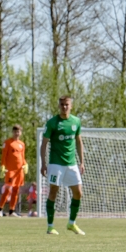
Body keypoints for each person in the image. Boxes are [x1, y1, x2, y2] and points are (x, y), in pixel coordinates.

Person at [40, 96, 85, 235]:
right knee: (53, 192)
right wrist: (43, 163)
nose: (64, 107)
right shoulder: (52, 122)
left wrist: (82, 161)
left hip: (71, 164)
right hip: (56, 163)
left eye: (66, 105)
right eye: (62, 105)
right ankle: (50, 226)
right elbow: (44, 144)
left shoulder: (76, 121)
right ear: (59, 106)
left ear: (71, 106)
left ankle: (71, 223)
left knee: (78, 192)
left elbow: (78, 141)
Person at [0, 125, 28, 216]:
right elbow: (4, 156)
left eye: (18, 132)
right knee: (8, 189)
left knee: (16, 190)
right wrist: (3, 166)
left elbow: (22, 157)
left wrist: (25, 164)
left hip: (19, 171)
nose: (17, 133)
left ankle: (12, 211)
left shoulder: (22, 144)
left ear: (20, 133)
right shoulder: (8, 142)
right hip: (11, 171)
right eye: (15, 131)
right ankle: (0, 210)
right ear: (12, 132)